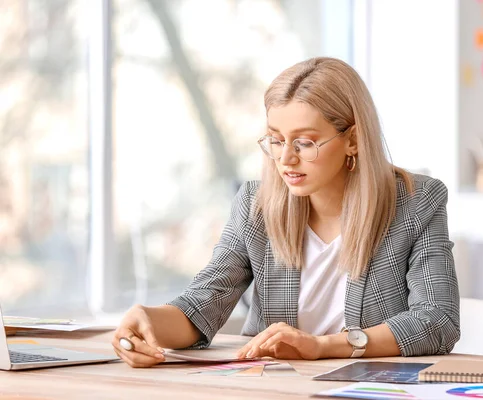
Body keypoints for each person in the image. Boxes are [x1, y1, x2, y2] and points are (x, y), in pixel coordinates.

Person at [112, 57, 460, 368]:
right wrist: (148, 321)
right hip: (272, 387)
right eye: (276, 139)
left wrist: (323, 347)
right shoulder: (256, 205)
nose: (285, 159)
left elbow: (438, 320)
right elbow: (203, 304)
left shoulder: (416, 203)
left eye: (305, 142)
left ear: (352, 139)